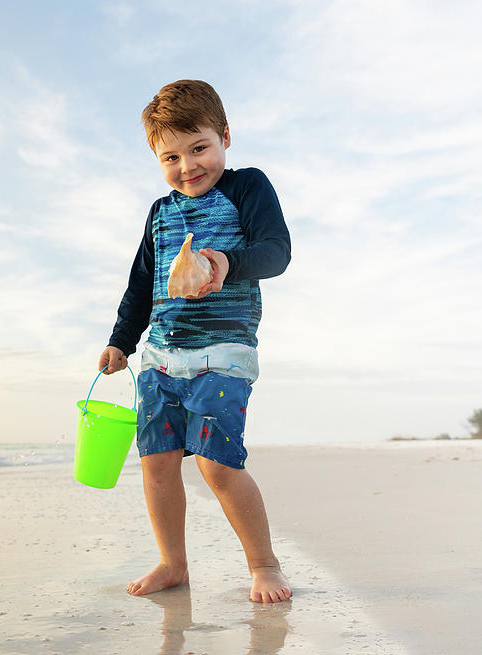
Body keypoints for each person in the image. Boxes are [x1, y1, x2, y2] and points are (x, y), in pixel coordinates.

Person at [98, 80, 292, 603]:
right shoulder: (160, 213)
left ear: (225, 136)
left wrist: (228, 263)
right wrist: (122, 341)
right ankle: (172, 563)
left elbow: (276, 252)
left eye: (200, 148)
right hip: (161, 353)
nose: (188, 165)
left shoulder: (247, 187)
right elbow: (142, 284)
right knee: (157, 461)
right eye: (172, 156)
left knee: (217, 462)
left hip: (223, 351)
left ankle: (264, 563)